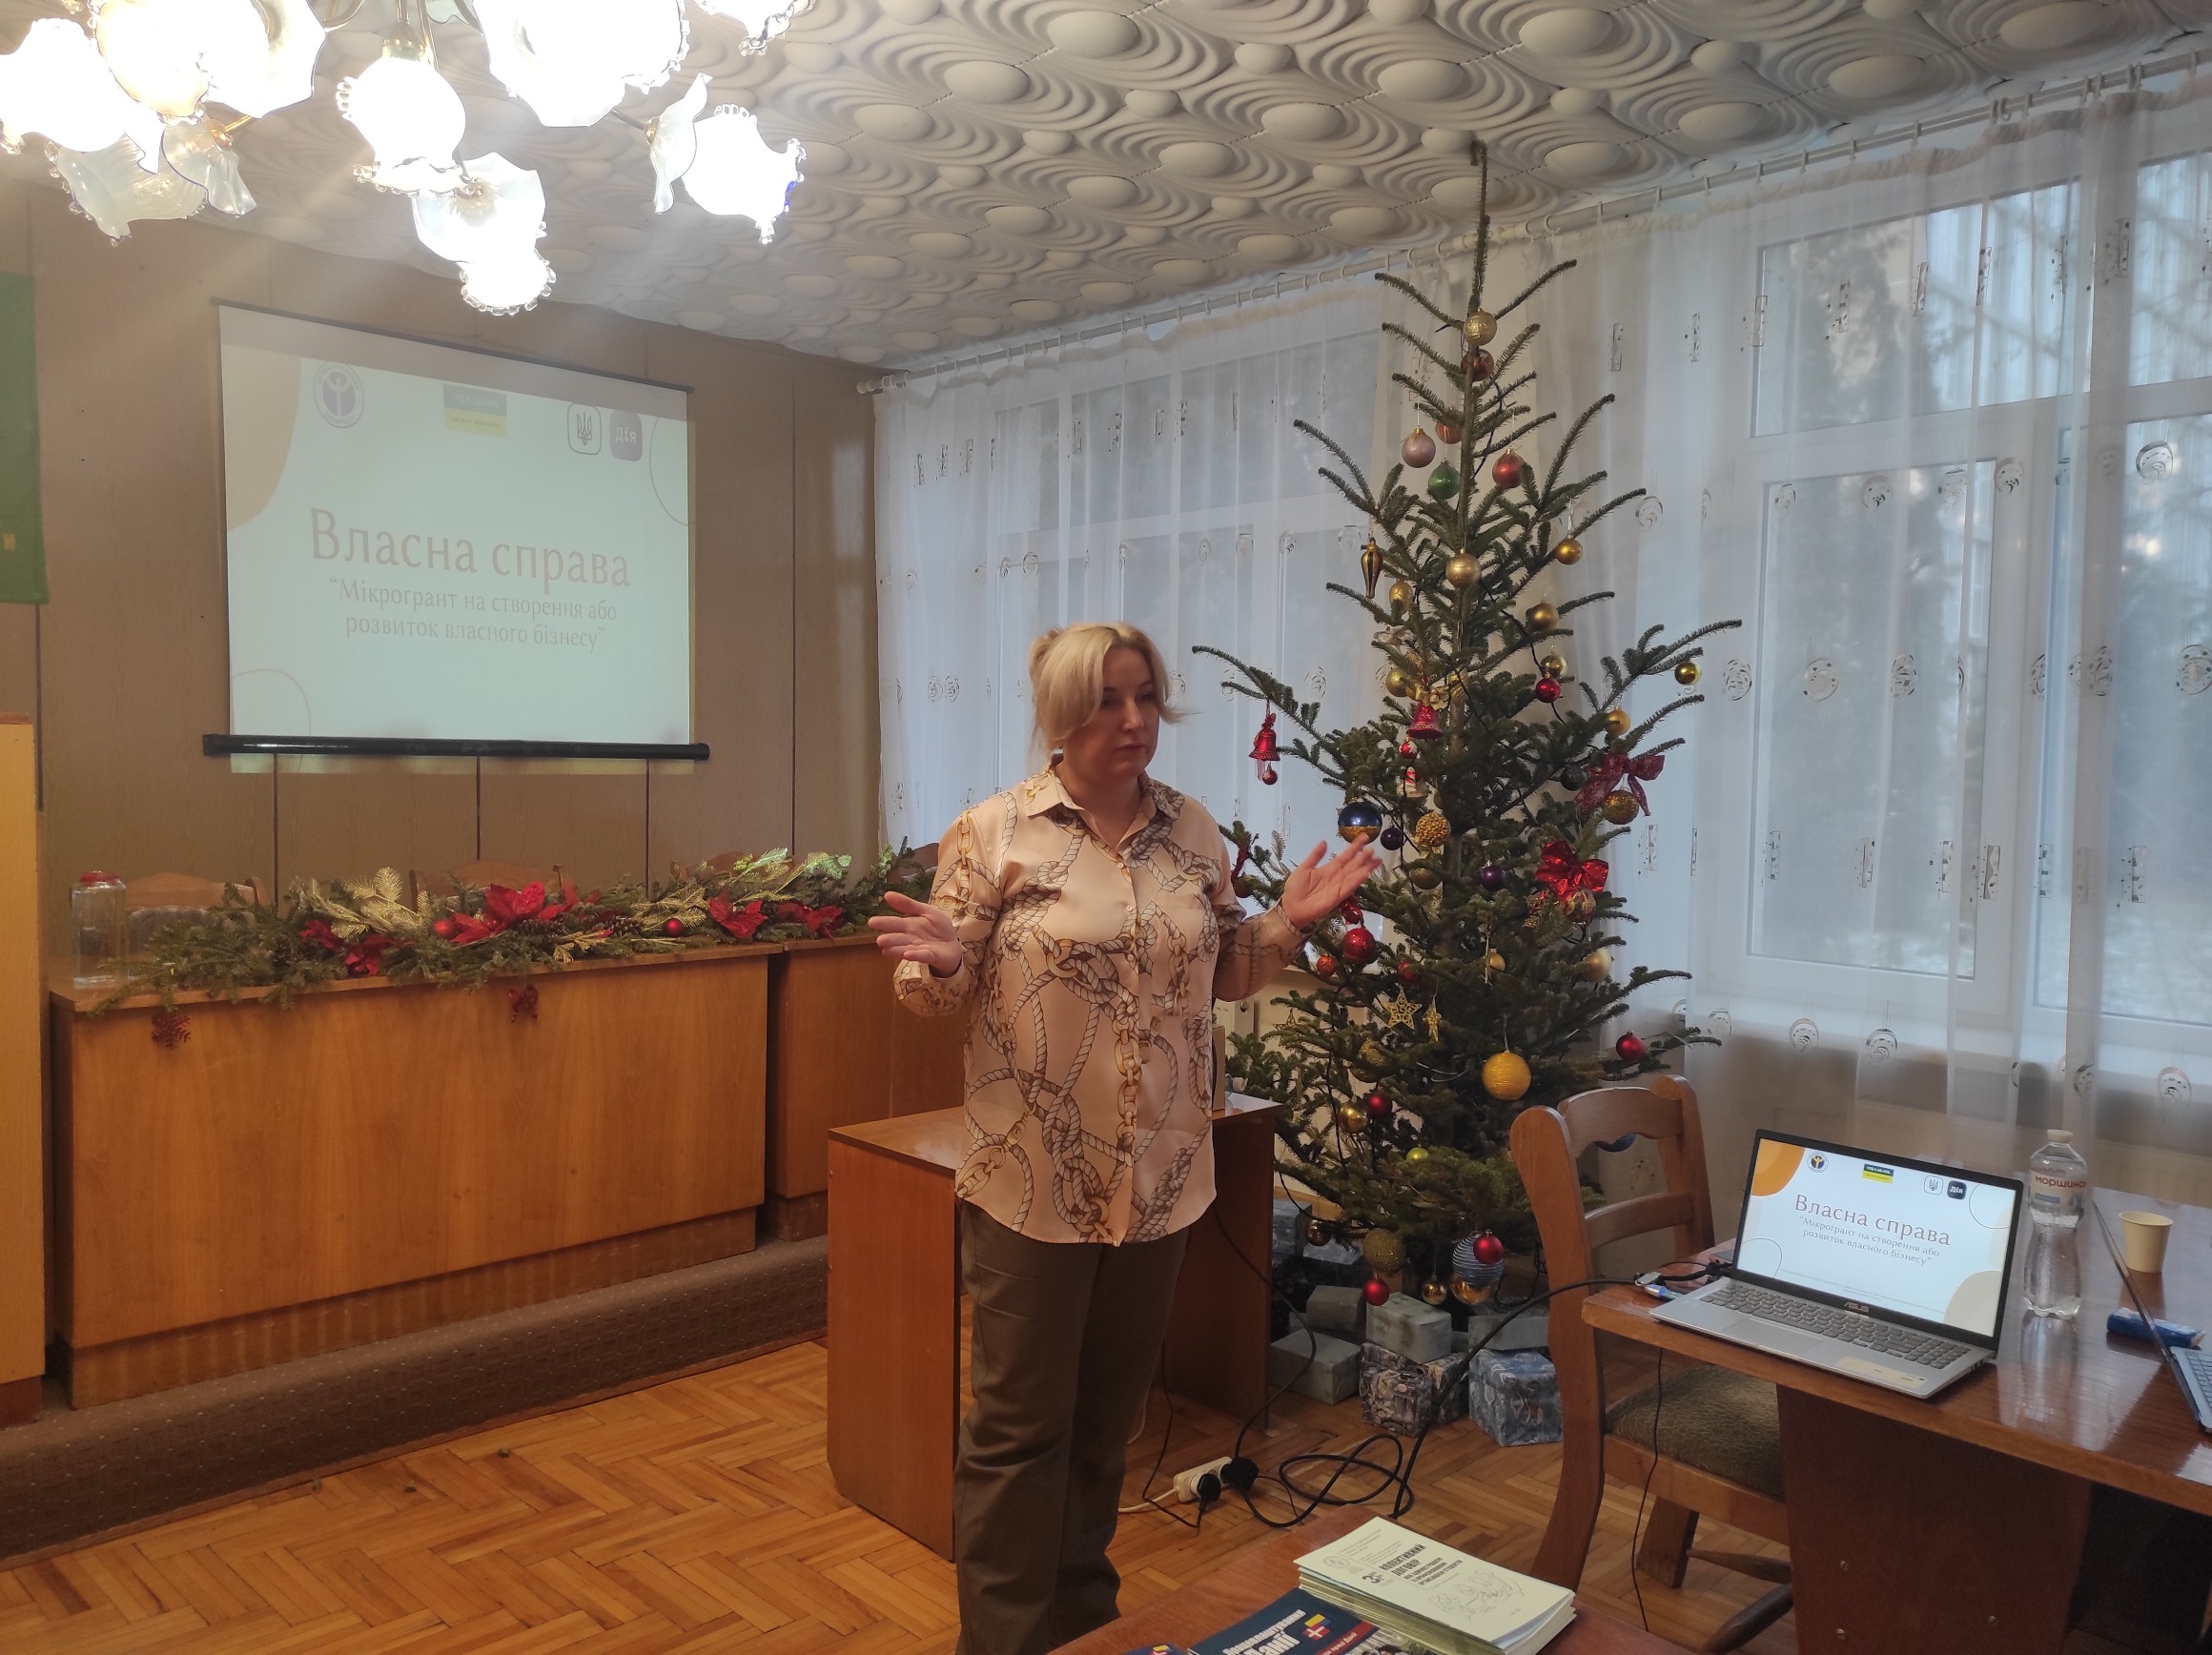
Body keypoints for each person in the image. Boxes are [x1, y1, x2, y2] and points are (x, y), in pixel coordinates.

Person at [870, 622, 1378, 1655]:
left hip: (1161, 1178)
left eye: (1146, 695)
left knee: (1106, 1428)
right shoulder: (994, 831)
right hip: (1032, 1181)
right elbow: (931, 990)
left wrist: (1290, 922)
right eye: (1108, 699)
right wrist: (944, 962)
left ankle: (1084, 1629)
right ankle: (1006, 1642)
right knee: (1019, 1435)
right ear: (1062, 713)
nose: (1134, 719)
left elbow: (1224, 970)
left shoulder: (1191, 830)